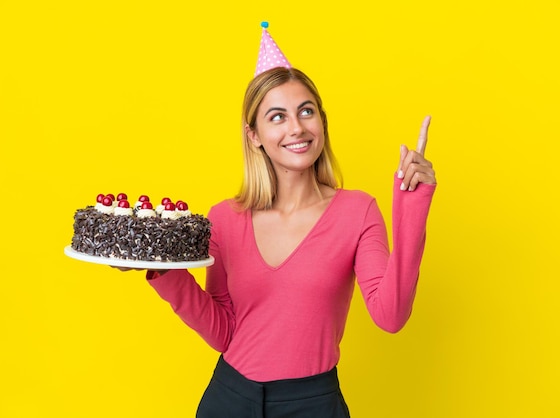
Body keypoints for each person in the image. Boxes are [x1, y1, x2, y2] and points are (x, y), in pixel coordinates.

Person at [144, 26, 436, 418]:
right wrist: (164, 272)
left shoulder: (357, 212)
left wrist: (411, 208)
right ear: (255, 136)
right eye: (277, 116)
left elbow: (391, 316)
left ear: (321, 121)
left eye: (306, 111)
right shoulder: (225, 219)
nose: (296, 128)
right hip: (228, 399)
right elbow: (224, 333)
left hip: (312, 403)